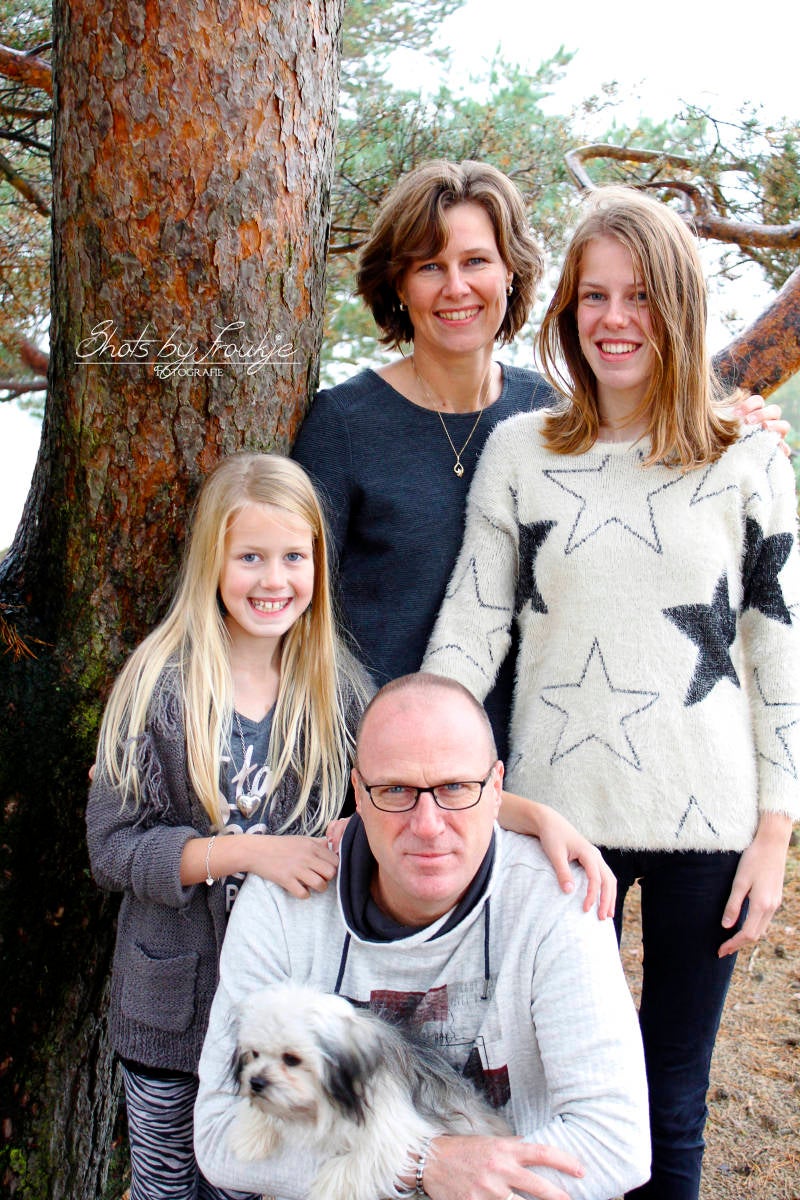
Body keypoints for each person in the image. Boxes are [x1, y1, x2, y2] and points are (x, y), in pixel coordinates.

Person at [423, 186, 800, 1200]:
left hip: (707, 830)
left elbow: (777, 650)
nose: (614, 318)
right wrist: (425, 766)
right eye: (593, 295)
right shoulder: (522, 452)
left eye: (639, 295)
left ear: (678, 306)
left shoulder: (746, 457)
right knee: (542, 1091)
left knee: (670, 1098)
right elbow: (473, 623)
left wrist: (774, 830)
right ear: (567, 310)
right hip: (551, 826)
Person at [292, 159, 788, 765]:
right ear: (398, 284)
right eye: (429, 266)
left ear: (510, 272)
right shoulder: (343, 426)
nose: (456, 287)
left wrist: (738, 430)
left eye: (476, 261)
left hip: (546, 766)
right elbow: (296, 618)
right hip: (382, 767)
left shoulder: (553, 419)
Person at [194, 672, 651, 1200]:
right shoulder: (282, 903)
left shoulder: (556, 897)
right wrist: (421, 1165)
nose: (428, 824)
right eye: (396, 790)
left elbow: (614, 1143)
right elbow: (220, 1135)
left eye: (455, 787)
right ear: (359, 793)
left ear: (496, 789)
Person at [86, 453, 371, 1200]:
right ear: (212, 560)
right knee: (165, 1186)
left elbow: (397, 793)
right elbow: (112, 848)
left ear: (318, 563)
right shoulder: (160, 686)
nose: (274, 579)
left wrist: (529, 815)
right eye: (250, 557)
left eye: (293, 557)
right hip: (171, 1012)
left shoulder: (336, 691)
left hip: (279, 1024)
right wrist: (249, 851)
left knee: (249, 1184)